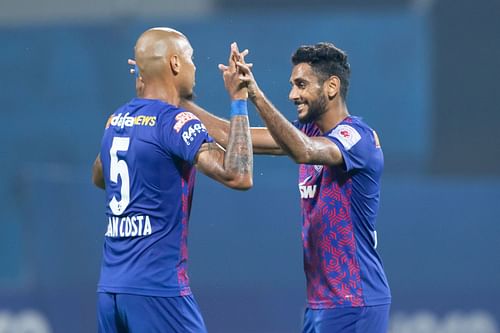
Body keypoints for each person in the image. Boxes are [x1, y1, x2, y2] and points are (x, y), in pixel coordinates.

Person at [181, 42, 391, 333]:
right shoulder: (308, 131)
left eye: (301, 85)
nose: (293, 94)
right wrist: (177, 101)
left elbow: (303, 151)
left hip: (354, 301)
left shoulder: (358, 137)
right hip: (321, 303)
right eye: (293, 85)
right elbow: (233, 136)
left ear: (332, 86)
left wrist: (254, 94)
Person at [91, 28, 253, 333]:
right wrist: (239, 101)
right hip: (158, 292)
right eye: (191, 58)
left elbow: (100, 175)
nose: (195, 67)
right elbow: (238, 175)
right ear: (175, 63)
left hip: (111, 291)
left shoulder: (116, 120)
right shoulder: (175, 121)